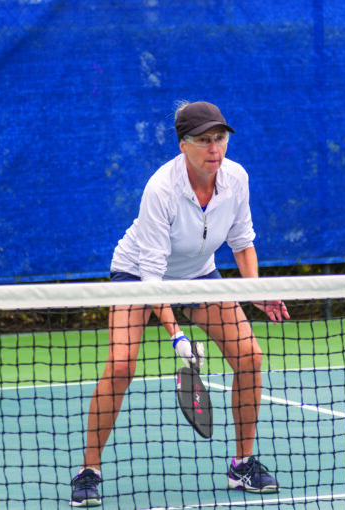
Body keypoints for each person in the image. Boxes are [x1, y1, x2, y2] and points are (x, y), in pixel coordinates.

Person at [70, 101, 290, 507]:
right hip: (138, 275)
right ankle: (89, 470)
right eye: (204, 140)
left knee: (250, 356)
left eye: (220, 138)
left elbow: (243, 241)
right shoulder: (161, 189)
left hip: (198, 274)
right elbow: (154, 282)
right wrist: (177, 338)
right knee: (120, 366)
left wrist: (256, 290)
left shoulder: (236, 179)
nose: (215, 149)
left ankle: (242, 464)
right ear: (183, 144)